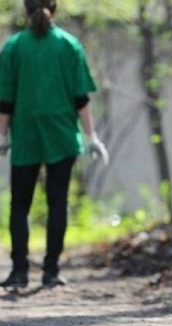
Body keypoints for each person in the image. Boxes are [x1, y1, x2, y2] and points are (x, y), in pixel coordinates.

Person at [0, 0, 108, 288]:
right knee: (57, 202)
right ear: (54, 8)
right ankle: (51, 271)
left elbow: (5, 100)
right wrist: (91, 136)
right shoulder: (69, 45)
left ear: (25, 9)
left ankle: (19, 271)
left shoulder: (13, 47)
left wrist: (2, 136)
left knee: (19, 205)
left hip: (26, 136)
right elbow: (81, 98)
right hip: (62, 136)